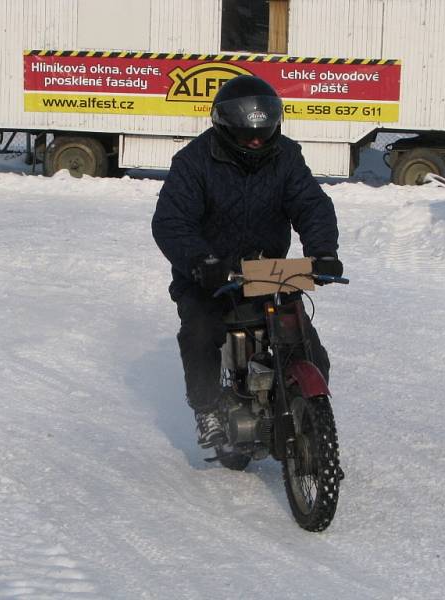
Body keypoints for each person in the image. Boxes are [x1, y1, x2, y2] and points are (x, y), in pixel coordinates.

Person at [151, 75, 343, 449]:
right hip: (208, 275)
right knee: (201, 333)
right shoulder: (193, 161)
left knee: (308, 347)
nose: (256, 141)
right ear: (225, 128)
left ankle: (304, 409)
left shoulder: (286, 156)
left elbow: (310, 205)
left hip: (266, 272)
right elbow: (172, 221)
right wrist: (202, 261)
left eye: (264, 132)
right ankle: (206, 408)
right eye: (246, 134)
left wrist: (323, 251)